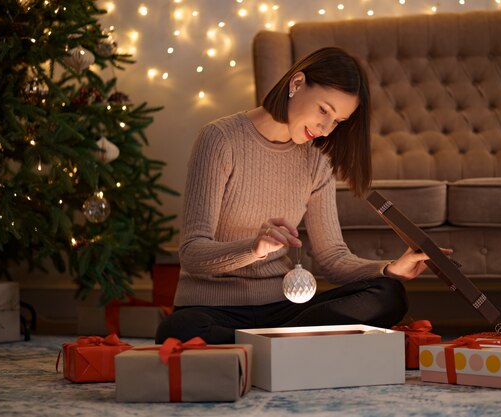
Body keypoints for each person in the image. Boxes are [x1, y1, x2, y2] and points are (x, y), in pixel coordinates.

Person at [155, 47, 450, 344]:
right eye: (324, 110)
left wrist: (387, 269)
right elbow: (192, 253)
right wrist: (254, 249)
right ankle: (285, 346)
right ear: (296, 84)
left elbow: (333, 259)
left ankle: (263, 346)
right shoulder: (219, 139)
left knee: (388, 294)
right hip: (212, 310)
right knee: (177, 329)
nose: (325, 128)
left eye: (337, 121)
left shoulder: (316, 161)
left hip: (282, 311)